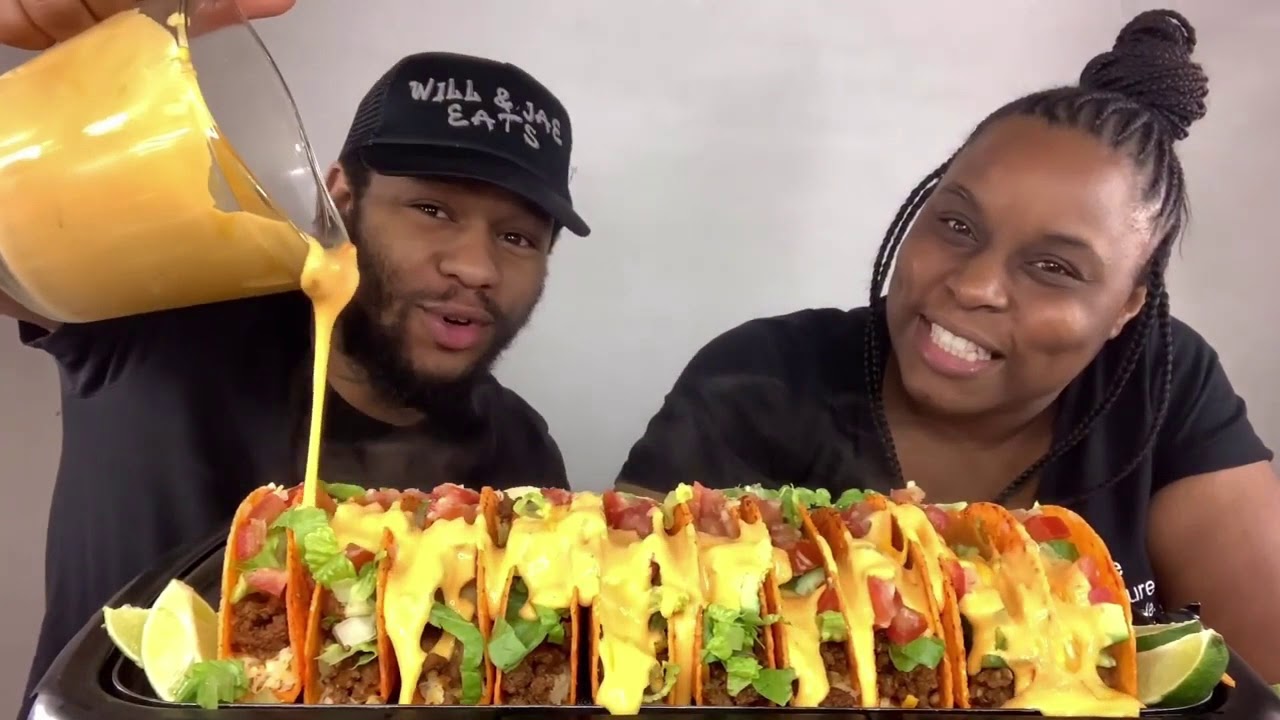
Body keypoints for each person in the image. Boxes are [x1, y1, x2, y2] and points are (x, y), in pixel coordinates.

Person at [616, 9, 1280, 682]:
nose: (975, 285)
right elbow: (619, 645)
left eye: (1053, 267)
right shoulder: (758, 381)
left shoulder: (1162, 384)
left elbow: (1264, 674)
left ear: (1127, 307)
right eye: (958, 224)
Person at [5, 43, 592, 717]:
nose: (476, 267)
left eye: (517, 238)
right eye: (433, 209)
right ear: (340, 198)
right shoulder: (166, 320)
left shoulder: (521, 456)